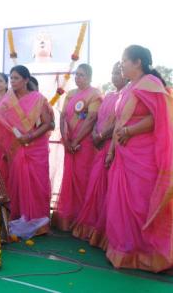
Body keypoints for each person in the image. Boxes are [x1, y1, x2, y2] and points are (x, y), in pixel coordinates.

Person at [104, 45, 173, 272]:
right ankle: (127, 250)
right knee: (123, 204)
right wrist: (112, 150)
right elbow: (118, 122)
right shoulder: (128, 88)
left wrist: (129, 132)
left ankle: (149, 254)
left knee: (142, 203)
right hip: (124, 156)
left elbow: (159, 119)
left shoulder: (151, 84)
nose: (122, 64)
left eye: (125, 60)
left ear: (138, 62)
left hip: (144, 157)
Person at [0, 65, 53, 234]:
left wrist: (30, 137)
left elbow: (48, 123)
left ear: (26, 80)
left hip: (35, 148)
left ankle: (39, 224)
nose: (12, 81)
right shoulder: (9, 99)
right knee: (19, 182)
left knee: (36, 184)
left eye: (16, 78)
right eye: (11, 78)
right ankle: (23, 217)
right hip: (18, 148)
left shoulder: (38, 98)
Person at [72, 62, 127, 249]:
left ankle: (104, 232)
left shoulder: (127, 95)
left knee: (108, 189)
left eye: (118, 72)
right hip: (99, 144)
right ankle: (92, 229)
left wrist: (103, 136)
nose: (114, 76)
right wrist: (95, 133)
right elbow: (97, 119)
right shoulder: (109, 95)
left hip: (113, 146)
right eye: (112, 72)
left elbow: (120, 122)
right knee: (95, 186)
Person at [52, 64, 102, 231]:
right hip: (70, 143)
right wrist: (66, 139)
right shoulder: (71, 94)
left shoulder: (95, 94)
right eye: (76, 74)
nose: (77, 78)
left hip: (84, 144)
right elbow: (63, 117)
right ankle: (68, 220)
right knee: (69, 179)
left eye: (81, 75)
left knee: (83, 179)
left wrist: (76, 141)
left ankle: (83, 221)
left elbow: (91, 120)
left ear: (89, 76)